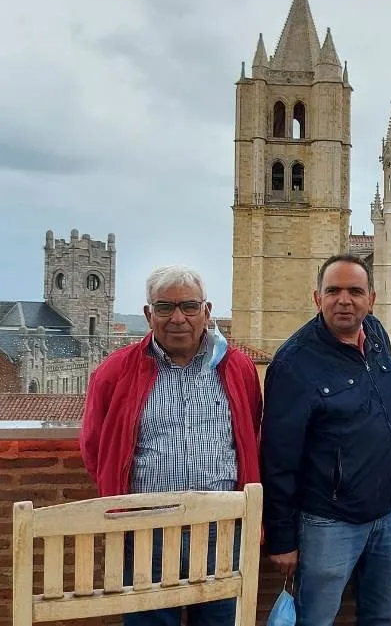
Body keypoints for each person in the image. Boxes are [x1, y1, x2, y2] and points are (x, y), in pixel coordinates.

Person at [80, 265, 263, 626]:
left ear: (206, 312)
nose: (178, 318)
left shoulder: (238, 368)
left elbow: (249, 435)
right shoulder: (114, 372)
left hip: (220, 532)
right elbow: (95, 447)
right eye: (165, 307)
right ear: (149, 315)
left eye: (189, 306)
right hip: (146, 530)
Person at [261, 254, 391, 626]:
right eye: (334, 291)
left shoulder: (375, 334)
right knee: (316, 620)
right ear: (317, 298)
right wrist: (282, 538)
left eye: (355, 291)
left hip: (390, 513)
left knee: (382, 617)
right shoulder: (293, 363)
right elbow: (278, 458)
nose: (345, 300)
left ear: (371, 299)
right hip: (329, 522)